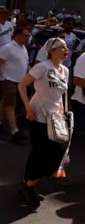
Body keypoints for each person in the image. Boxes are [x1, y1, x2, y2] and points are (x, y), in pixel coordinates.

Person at [17, 37, 70, 209]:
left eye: (66, 47)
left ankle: (28, 182)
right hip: (38, 116)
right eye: (62, 47)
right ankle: (29, 186)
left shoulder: (65, 70)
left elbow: (60, 94)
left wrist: (61, 111)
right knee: (41, 151)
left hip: (55, 119)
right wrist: (27, 107)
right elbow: (22, 85)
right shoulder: (43, 67)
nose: (66, 50)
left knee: (54, 153)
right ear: (52, 50)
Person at [0, 27, 31, 142]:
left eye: (28, 36)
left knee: (5, 102)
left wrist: (33, 74)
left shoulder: (24, 49)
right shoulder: (7, 48)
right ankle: (14, 130)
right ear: (17, 35)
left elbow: (26, 65)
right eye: (25, 35)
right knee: (10, 105)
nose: (28, 38)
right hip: (7, 80)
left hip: (19, 81)